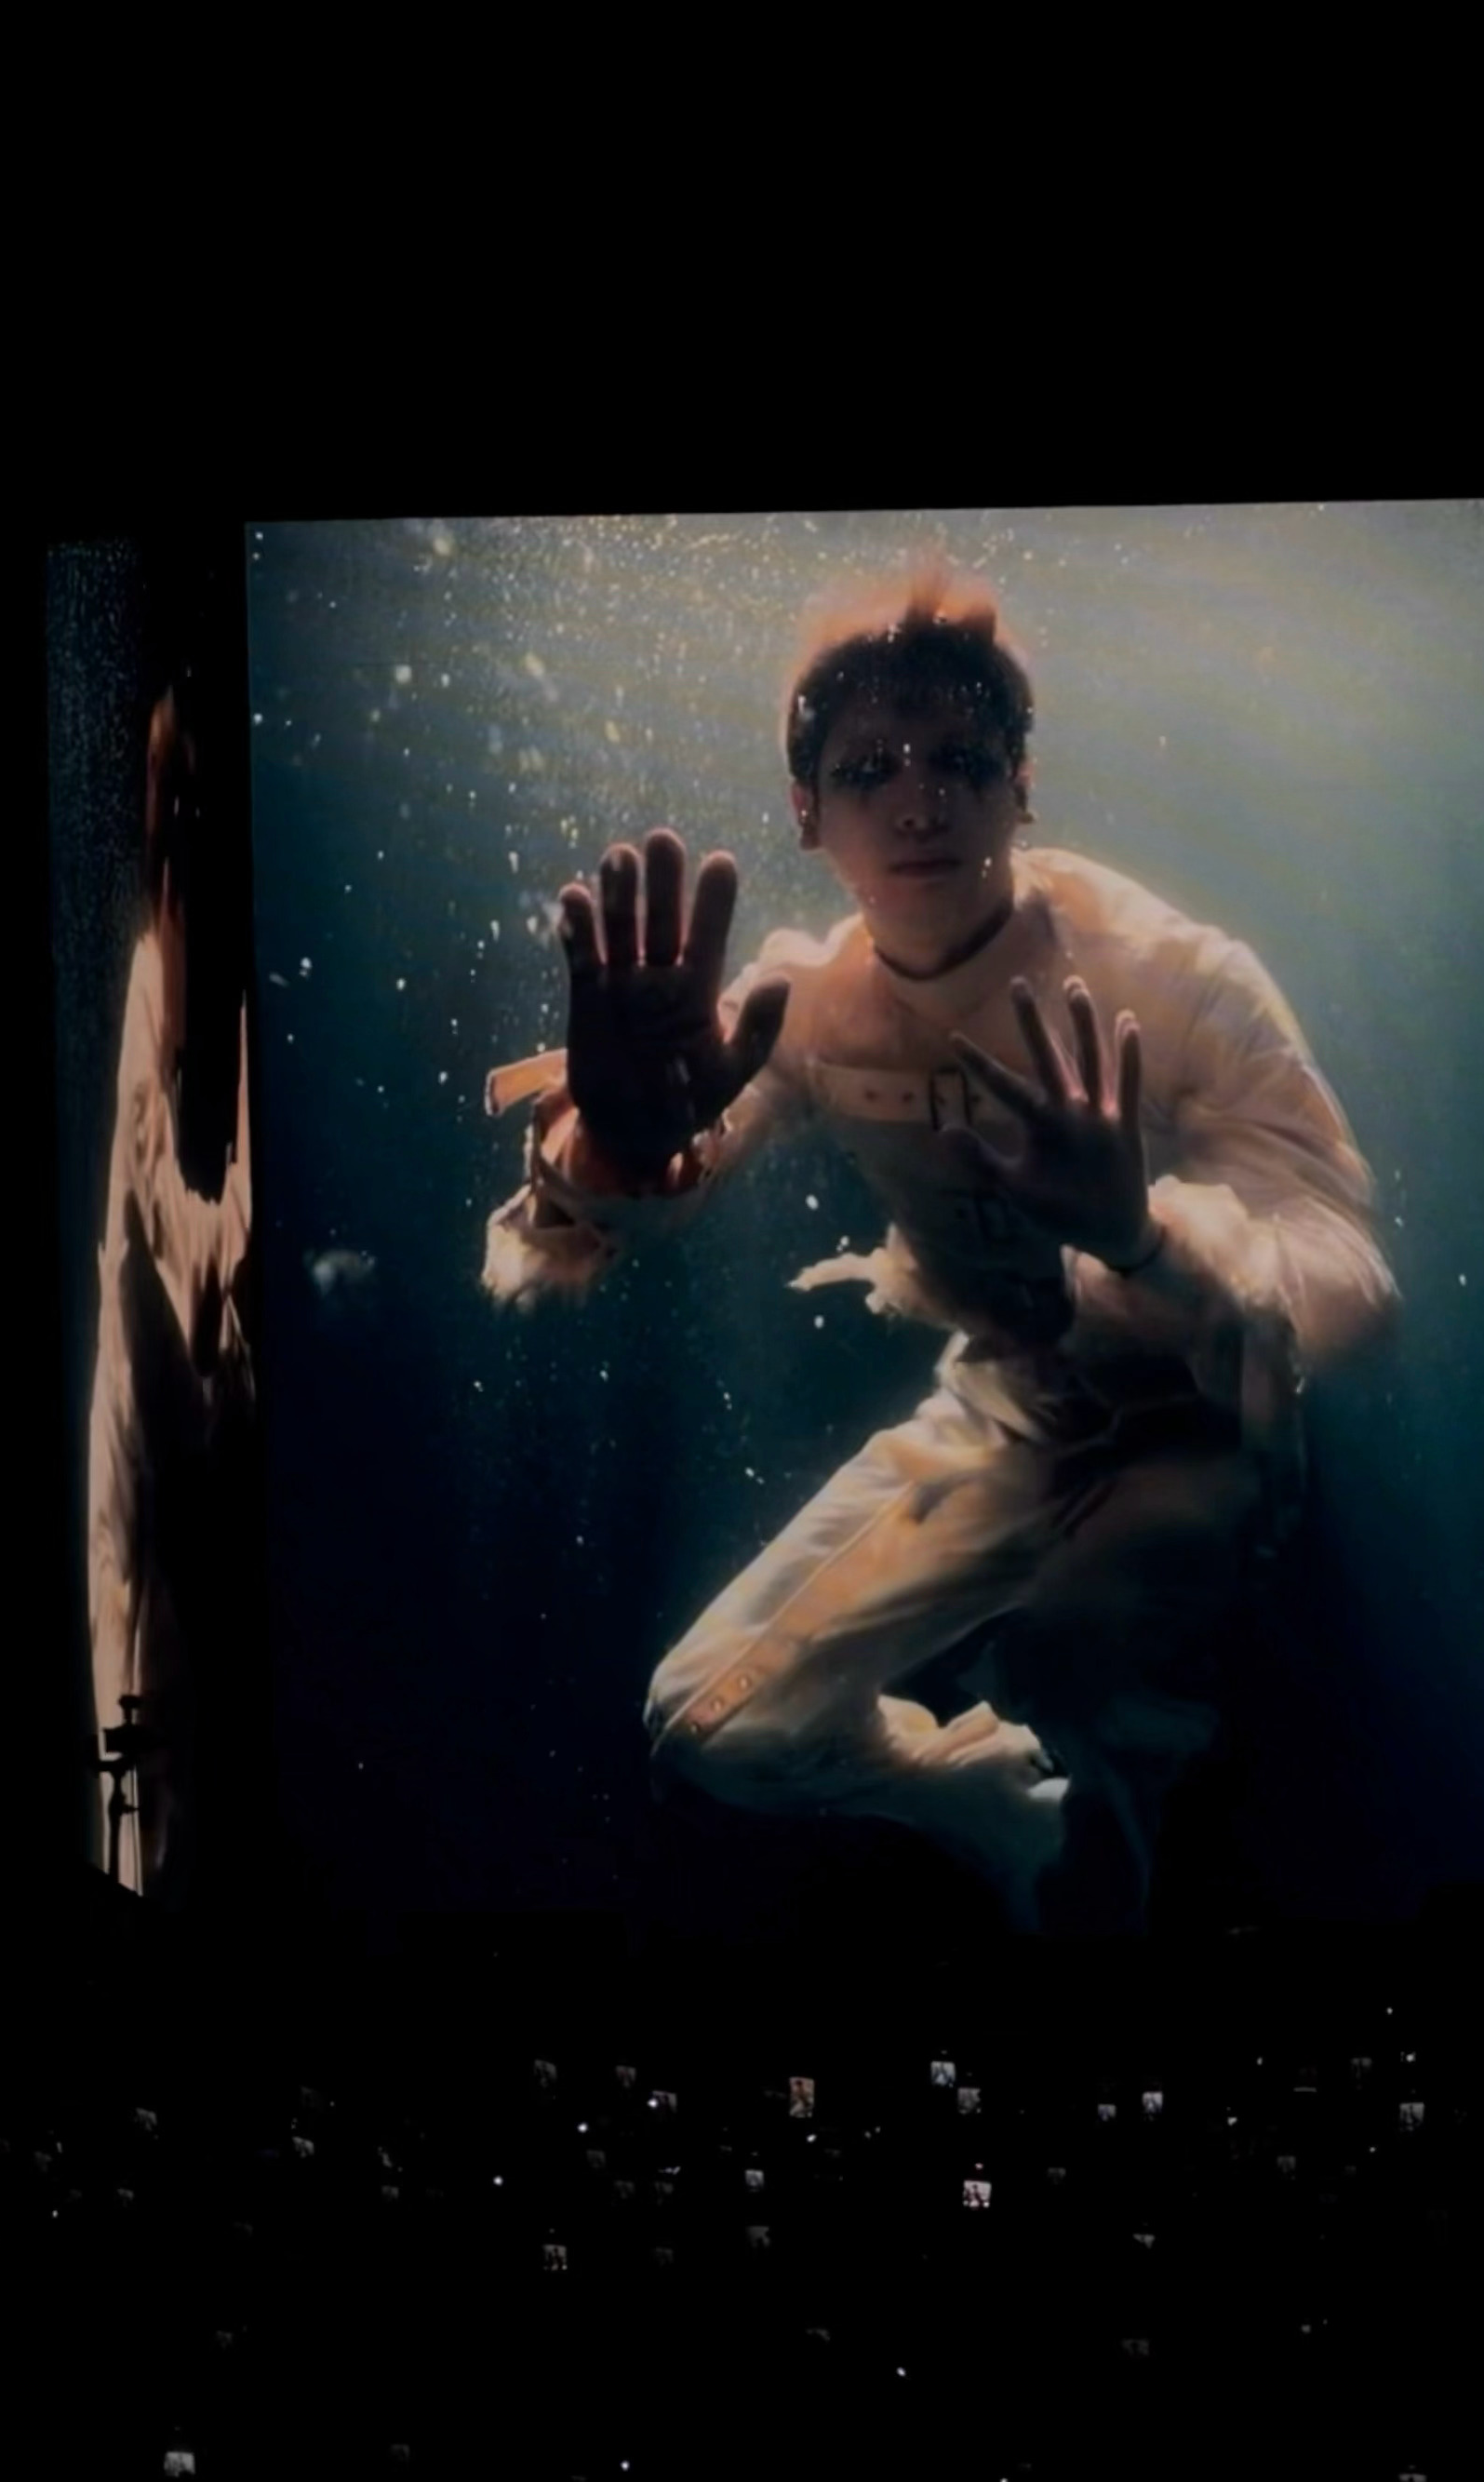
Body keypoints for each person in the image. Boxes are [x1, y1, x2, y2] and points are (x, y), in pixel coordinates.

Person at [482, 569, 1397, 1932]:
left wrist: (1146, 1239)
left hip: (1205, 1425)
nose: (918, 803)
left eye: (960, 760)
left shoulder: (1175, 976)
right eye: (869, 770)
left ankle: (1137, 1858)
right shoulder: (809, 1003)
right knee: (708, 1722)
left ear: (1022, 785)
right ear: (807, 812)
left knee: (1075, 1661)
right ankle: (998, 1811)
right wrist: (614, 1138)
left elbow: (1350, 1273)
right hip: (1007, 1415)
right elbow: (670, 1173)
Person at [86, 686, 253, 1897]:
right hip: (146, 1477)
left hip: (199, 1492)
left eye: (199, 798)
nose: (181, 824)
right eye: (171, 797)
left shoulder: (220, 1009)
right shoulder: (153, 982)